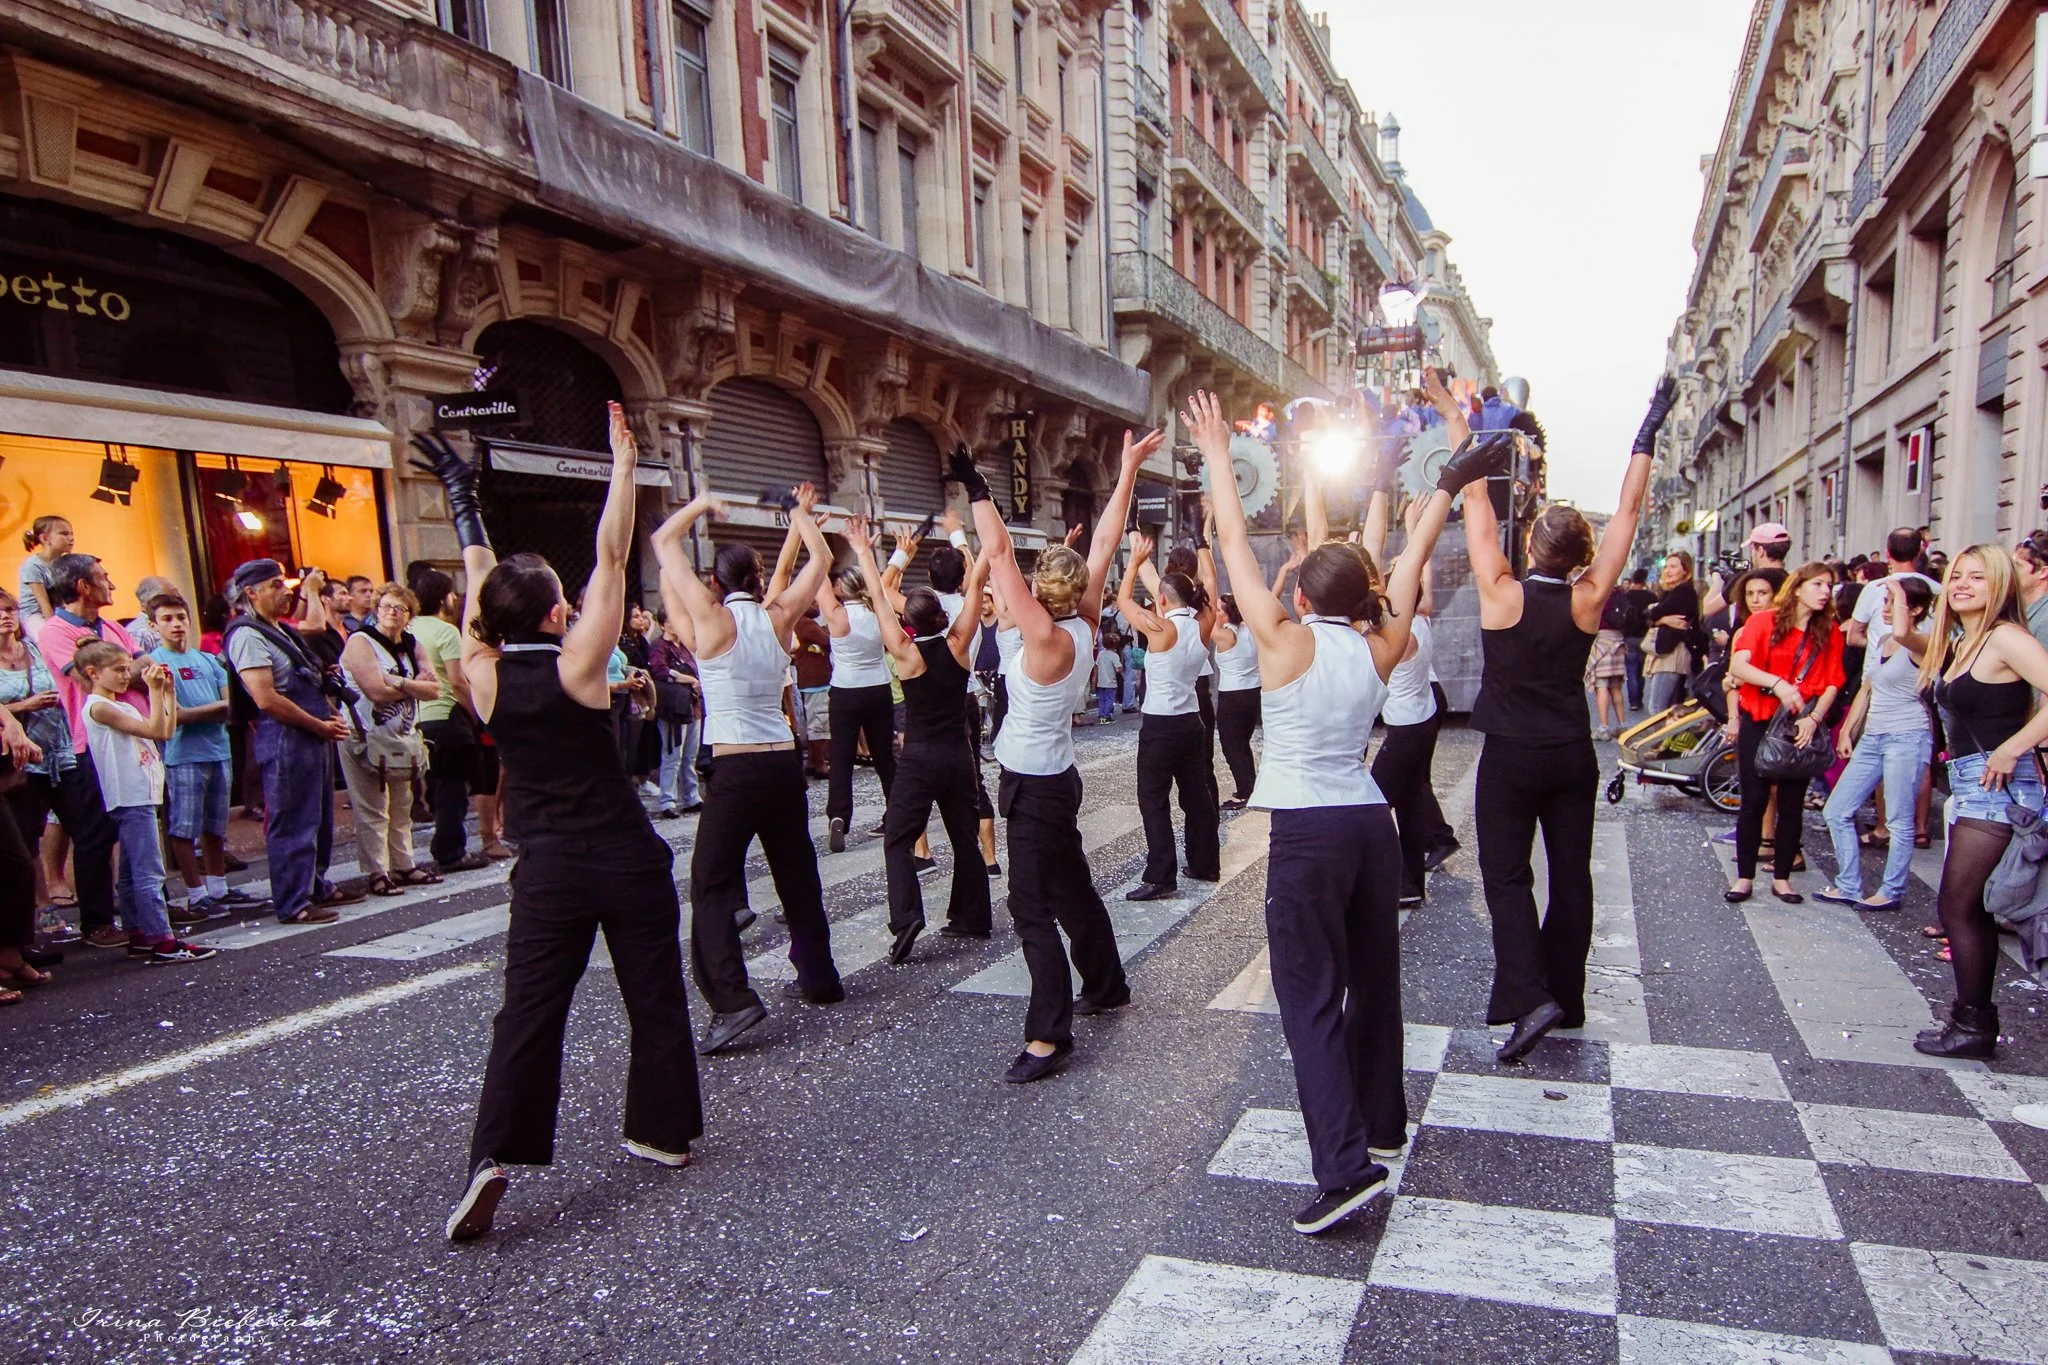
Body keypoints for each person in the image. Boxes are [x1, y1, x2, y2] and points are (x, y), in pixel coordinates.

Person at [417, 410, 703, 1243]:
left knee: (528, 1010)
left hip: (544, 865)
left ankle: (494, 1156)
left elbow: (481, 591)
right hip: (622, 853)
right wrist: (621, 465)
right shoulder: (584, 662)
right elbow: (614, 555)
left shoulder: (482, 674)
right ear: (552, 616)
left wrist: (464, 506)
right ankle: (659, 1132)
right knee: (651, 993)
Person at [1187, 387, 1459, 1235]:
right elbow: (1409, 561)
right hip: (1370, 825)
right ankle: (1381, 1122)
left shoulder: (1282, 637)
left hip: (1309, 833)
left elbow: (1232, 537)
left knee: (1309, 1000)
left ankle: (1345, 1168)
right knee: (1374, 984)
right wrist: (1448, 483)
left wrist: (1217, 453)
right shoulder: (1380, 642)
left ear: (1302, 594)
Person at [1461, 372, 1674, 1063]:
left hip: (1510, 757)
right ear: (1582, 555)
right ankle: (1569, 996)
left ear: (1532, 549)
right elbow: (1630, 509)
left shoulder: (1501, 593)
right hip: (1570, 753)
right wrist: (1648, 429)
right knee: (1572, 875)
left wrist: (1468, 431)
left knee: (1506, 876)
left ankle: (1531, 996)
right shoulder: (1589, 598)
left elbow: (1476, 505)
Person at [975, 424, 1157, 1083]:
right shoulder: (1079, 623)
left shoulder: (1047, 636)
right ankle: (1106, 983)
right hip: (1056, 777)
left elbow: (995, 550)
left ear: (1038, 591)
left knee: (1031, 908)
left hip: (1034, 784)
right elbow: (1105, 539)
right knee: (1071, 886)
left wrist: (977, 488)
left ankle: (1050, 1036)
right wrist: (1128, 467)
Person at [653, 482, 843, 1056]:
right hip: (782, 765)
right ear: (760, 580)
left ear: (714, 583)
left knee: (711, 887)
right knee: (796, 872)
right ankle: (819, 977)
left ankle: (733, 1001)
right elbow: (825, 558)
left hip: (733, 770)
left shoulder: (709, 621)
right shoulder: (778, 617)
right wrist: (798, 513)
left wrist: (699, 504)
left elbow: (663, 543)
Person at [837, 515, 993, 963]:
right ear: (943, 616)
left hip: (920, 758)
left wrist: (867, 554)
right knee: (965, 837)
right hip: (958, 755)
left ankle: (907, 918)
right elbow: (977, 578)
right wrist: (982, 550)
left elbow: (881, 606)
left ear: (910, 622)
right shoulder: (960, 644)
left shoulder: (905, 653)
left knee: (898, 839)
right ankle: (972, 917)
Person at [1913, 545, 2048, 1060]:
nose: (1963, 585)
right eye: (1957, 577)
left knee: (1959, 906)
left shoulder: (2006, 638)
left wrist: (2016, 746)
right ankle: (1972, 1021)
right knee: (1963, 906)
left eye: (1978, 577)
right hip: (1972, 783)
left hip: (1999, 786)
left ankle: (1973, 1025)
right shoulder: (1963, 640)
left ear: (2001, 587)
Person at [224, 558, 362, 925]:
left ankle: (315, 884)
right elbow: (266, 698)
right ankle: (293, 900)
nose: (284, 592)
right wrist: (318, 724)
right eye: (274, 586)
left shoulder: (278, 630)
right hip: (286, 735)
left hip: (308, 732)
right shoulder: (246, 635)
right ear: (251, 593)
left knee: (317, 816)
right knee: (292, 820)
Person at [75, 640, 217, 963]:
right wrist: (154, 690)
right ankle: (162, 939)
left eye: (128, 668)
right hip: (130, 793)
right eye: (120, 670)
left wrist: (166, 691)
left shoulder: (121, 704)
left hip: (141, 790)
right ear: (93, 673)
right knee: (149, 870)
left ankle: (138, 931)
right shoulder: (98, 706)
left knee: (130, 870)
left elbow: (165, 729)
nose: (128, 676)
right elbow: (155, 728)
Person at [35, 553, 142, 948]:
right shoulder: (55, 631)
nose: (110, 584)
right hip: (90, 741)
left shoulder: (112, 626)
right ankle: (96, 921)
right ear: (83, 585)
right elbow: (87, 678)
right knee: (96, 830)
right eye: (103, 577)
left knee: (137, 824)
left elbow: (140, 668)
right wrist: (121, 668)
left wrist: (118, 667)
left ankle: (142, 907)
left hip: (135, 730)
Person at [1723, 563, 1845, 904]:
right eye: (1818, 584)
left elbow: (1834, 680)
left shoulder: (1829, 630)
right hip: (1760, 719)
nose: (1825, 592)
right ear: (1797, 587)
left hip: (1800, 725)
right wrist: (1777, 684)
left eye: (1829, 586)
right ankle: (1744, 877)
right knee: (1754, 802)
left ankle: (1782, 878)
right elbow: (1739, 665)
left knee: (1793, 803)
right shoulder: (1763, 622)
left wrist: (1815, 717)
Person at [1819, 576, 1935, 912]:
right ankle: (1848, 884)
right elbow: (1867, 688)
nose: (1883, 610)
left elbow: (1904, 633)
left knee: (1899, 820)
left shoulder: (1921, 642)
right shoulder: (1884, 639)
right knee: (1837, 810)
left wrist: (1896, 586)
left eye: (1891, 603)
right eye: (1883, 601)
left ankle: (1891, 891)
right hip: (1874, 735)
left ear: (1914, 609)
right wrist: (1847, 731)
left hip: (1907, 735)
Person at [1117, 532, 1221, 900]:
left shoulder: (1159, 628)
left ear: (1162, 598)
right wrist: (1204, 545)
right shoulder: (1202, 623)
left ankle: (1161, 875)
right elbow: (1211, 587)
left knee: (1153, 799)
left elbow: (1123, 600)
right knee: (1196, 794)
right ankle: (1206, 862)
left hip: (1160, 725)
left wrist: (1132, 562)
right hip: (1192, 722)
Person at [149, 594, 264, 920]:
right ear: (154, 625)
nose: (176, 624)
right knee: (184, 827)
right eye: (167, 619)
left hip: (218, 750)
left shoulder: (208, 660)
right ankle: (196, 892)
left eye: (180, 617)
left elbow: (229, 709)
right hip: (183, 755)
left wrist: (204, 711)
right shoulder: (157, 664)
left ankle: (218, 887)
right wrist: (209, 710)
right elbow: (176, 716)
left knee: (215, 825)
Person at [337, 583, 441, 896]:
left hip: (401, 736)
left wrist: (396, 680)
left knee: (402, 804)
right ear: (376, 610)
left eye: (400, 608)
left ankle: (403, 863)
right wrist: (411, 685)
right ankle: (377, 871)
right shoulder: (361, 642)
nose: (392, 613)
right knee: (373, 806)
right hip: (366, 734)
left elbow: (433, 689)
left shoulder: (412, 644)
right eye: (386, 607)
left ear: (409, 614)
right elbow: (375, 691)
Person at [1369, 493, 1445, 910]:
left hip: (1406, 730)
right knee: (1413, 806)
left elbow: (1376, 586)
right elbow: (1421, 577)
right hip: (1422, 721)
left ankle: (1381, 877)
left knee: (1375, 802)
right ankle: (1411, 883)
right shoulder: (1421, 614)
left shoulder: (1399, 632)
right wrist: (1415, 531)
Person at [0, 590, 74, 948]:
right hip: (16, 760)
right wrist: (26, 705)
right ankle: (40, 908)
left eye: (11, 609)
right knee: (24, 836)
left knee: (76, 822)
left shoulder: (33, 649)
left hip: (56, 749)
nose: (6, 616)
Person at [412, 571, 495, 873]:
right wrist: (476, 713)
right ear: (444, 597)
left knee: (436, 785)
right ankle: (450, 850)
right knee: (453, 787)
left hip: (418, 716)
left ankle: (441, 845)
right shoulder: (446, 631)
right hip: (446, 713)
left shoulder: (411, 627)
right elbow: (458, 681)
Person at [817, 561, 898, 853]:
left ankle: (838, 814)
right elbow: (885, 583)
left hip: (844, 690)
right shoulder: (878, 611)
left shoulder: (838, 616)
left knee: (841, 759)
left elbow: (818, 580)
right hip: (877, 687)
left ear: (842, 588)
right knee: (884, 757)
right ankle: (895, 811)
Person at [648, 610, 703, 817]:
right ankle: (667, 800)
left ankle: (691, 796)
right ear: (663, 624)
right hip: (673, 708)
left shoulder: (686, 647)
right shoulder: (659, 646)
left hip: (692, 705)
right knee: (673, 755)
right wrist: (688, 680)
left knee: (690, 755)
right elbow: (660, 671)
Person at [1212, 596, 1262, 807]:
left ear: (1226, 613)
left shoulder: (1226, 635)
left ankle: (1243, 791)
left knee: (1232, 745)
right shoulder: (1249, 628)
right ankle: (1250, 786)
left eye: (1217, 609)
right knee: (1242, 744)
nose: (1213, 612)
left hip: (1233, 695)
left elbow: (1202, 621)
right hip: (1253, 692)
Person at [1642, 552, 1700, 714]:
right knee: (1670, 707)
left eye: (1673, 567)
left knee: (1657, 709)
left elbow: (1651, 613)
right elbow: (1649, 615)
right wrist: (1663, 620)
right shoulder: (1672, 592)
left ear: (1686, 571)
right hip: (1671, 651)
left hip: (1672, 653)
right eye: (1666, 567)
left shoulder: (1683, 591)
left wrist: (1657, 617)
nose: (1667, 571)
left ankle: (1660, 739)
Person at [16, 515, 72, 644]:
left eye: (71, 534)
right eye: (64, 534)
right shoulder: (33, 566)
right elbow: (44, 604)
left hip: (58, 611)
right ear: (45, 538)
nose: (71, 538)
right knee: (50, 641)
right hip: (35, 613)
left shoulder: (65, 564)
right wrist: (55, 629)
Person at [1587, 584, 1630, 740]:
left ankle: (1603, 727)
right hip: (1618, 641)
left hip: (1602, 641)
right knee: (1616, 687)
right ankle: (1622, 725)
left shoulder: (1600, 595)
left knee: (1602, 686)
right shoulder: (1620, 595)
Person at [1620, 570, 1656, 712]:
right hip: (1645, 636)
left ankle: (1634, 701)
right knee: (1641, 669)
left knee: (1631, 669)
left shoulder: (1625, 596)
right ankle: (1639, 698)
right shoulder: (1651, 597)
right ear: (1645, 580)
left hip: (1629, 636)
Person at [1093, 636, 1121, 723]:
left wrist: (1095, 679)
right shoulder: (1114, 655)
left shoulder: (1101, 653)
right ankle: (1107, 716)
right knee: (1109, 699)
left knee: (1102, 699)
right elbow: (1118, 669)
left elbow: (1096, 665)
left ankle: (1101, 715)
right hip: (1110, 682)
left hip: (1101, 681)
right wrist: (1120, 668)